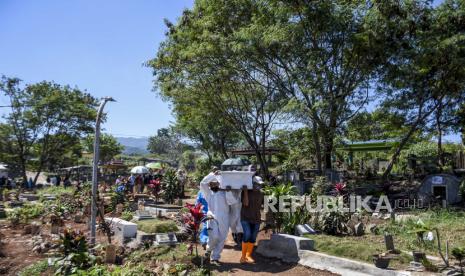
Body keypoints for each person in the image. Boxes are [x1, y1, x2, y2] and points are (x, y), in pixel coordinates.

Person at [200, 167, 230, 264]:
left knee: (221, 238)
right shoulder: (208, 194)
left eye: (215, 183)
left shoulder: (225, 193)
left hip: (224, 218)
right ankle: (208, 251)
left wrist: (228, 191)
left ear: (219, 183)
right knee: (214, 237)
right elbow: (202, 183)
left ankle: (215, 258)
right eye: (211, 183)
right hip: (212, 218)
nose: (213, 184)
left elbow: (233, 201)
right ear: (210, 185)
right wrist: (213, 174)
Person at [240, 173, 264, 264]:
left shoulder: (261, 194)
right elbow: (245, 204)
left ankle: (248, 255)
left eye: (260, 185)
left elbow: (263, 205)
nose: (258, 186)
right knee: (247, 234)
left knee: (253, 236)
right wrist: (245, 191)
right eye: (257, 184)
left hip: (256, 218)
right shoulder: (246, 192)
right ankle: (242, 256)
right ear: (252, 184)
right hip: (245, 217)